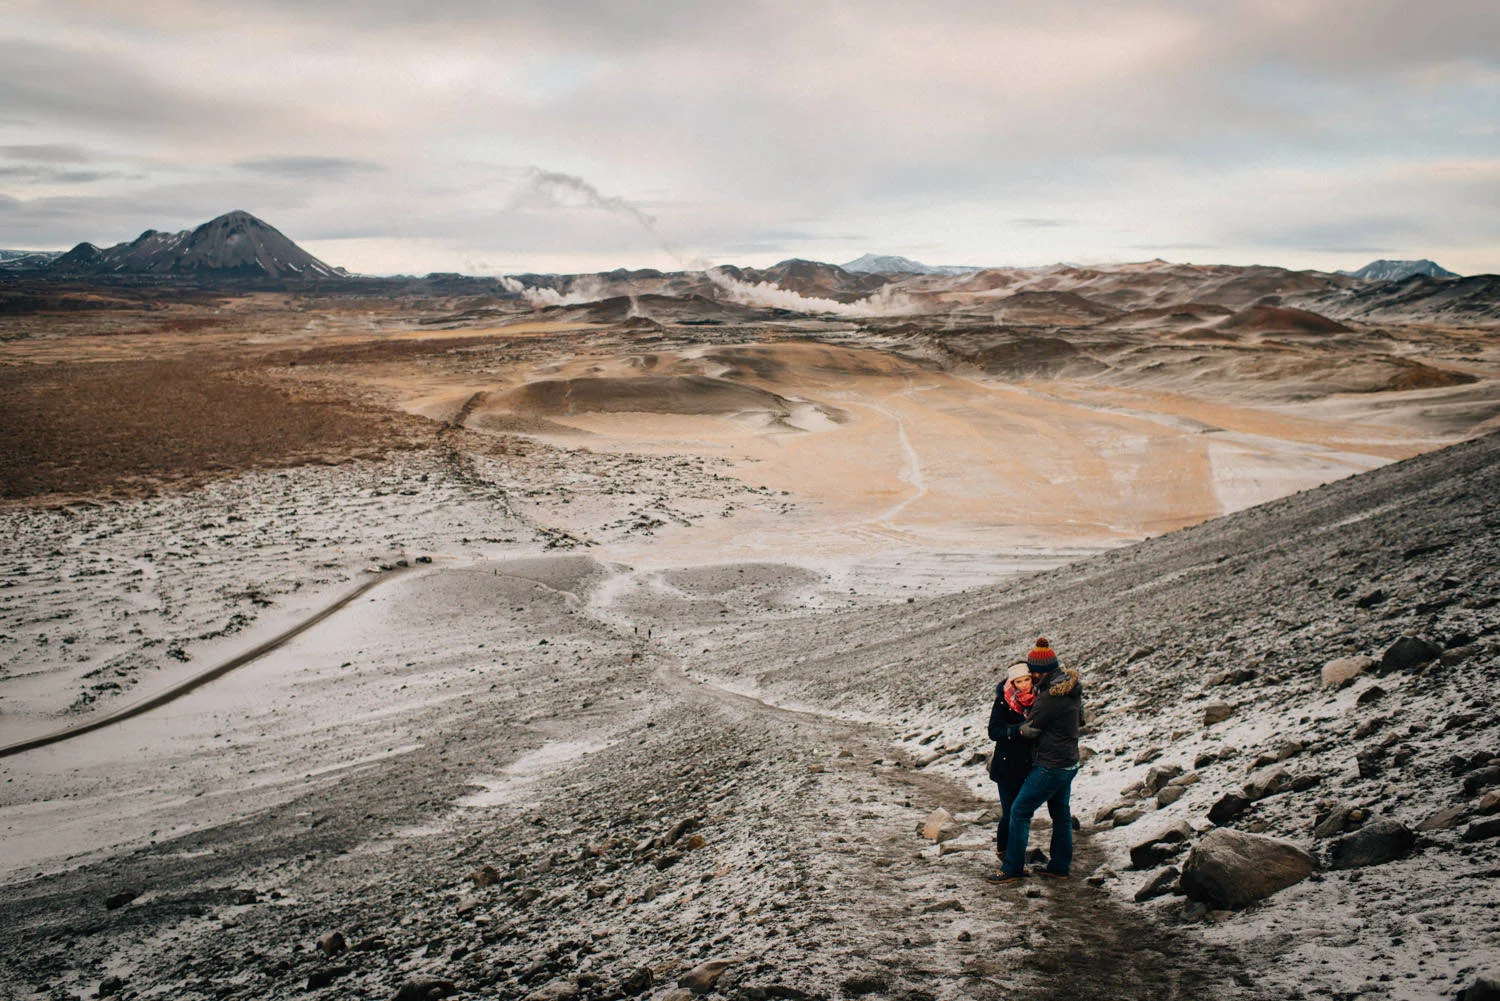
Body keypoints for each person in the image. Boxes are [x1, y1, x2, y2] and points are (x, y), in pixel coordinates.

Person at [986, 637, 1085, 884]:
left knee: (1019, 811)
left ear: (1041, 672)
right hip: (1069, 760)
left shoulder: (1050, 696)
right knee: (1060, 813)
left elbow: (1033, 724)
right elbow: (1080, 719)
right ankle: (1060, 866)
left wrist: (1019, 729)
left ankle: (1012, 868)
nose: (1030, 676)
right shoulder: (1069, 687)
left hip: (1051, 764)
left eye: (1032, 672)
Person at [987, 662, 1035, 860]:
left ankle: (1016, 854)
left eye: (1027, 679)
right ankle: (1004, 852)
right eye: (1019, 681)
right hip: (1006, 766)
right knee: (1010, 813)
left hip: (1029, 765)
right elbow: (993, 731)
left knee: (1022, 814)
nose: (1024, 685)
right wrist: (1017, 731)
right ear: (1012, 682)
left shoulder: (1038, 699)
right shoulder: (1003, 701)